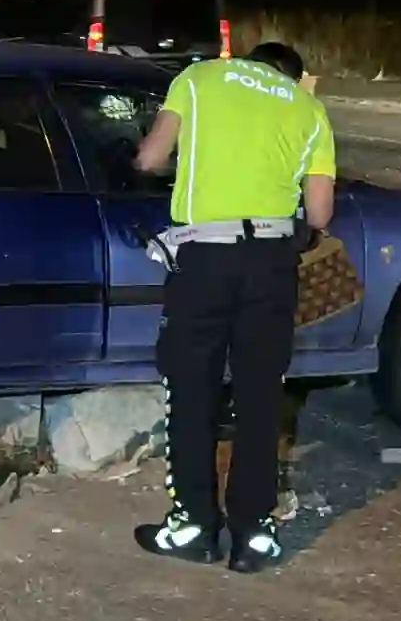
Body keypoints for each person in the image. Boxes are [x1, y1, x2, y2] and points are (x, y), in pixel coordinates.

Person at [130, 42, 334, 574]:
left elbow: (151, 158)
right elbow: (318, 211)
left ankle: (194, 527)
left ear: (247, 60)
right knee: (262, 400)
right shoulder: (308, 109)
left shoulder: (200, 79)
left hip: (206, 260)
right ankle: (254, 537)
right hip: (271, 264)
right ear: (292, 75)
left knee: (191, 391)